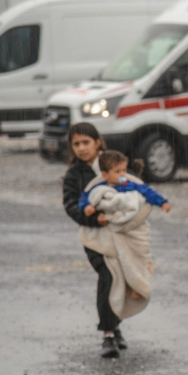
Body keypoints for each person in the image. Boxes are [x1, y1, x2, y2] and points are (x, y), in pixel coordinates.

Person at [63, 123, 126, 358]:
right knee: (108, 276)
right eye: (76, 144)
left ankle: (116, 326)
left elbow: (133, 190)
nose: (81, 148)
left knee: (122, 278)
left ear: (97, 141)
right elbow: (70, 205)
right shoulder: (74, 174)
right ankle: (108, 334)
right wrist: (92, 218)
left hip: (120, 235)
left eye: (85, 142)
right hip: (93, 238)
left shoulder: (113, 164)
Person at [77, 150, 170, 311]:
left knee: (138, 256)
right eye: (118, 172)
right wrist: (87, 207)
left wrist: (162, 202)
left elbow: (147, 192)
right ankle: (128, 286)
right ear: (105, 174)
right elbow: (85, 198)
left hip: (133, 229)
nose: (123, 175)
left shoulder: (130, 185)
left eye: (124, 171)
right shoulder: (99, 188)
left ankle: (138, 286)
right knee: (121, 262)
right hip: (113, 231)